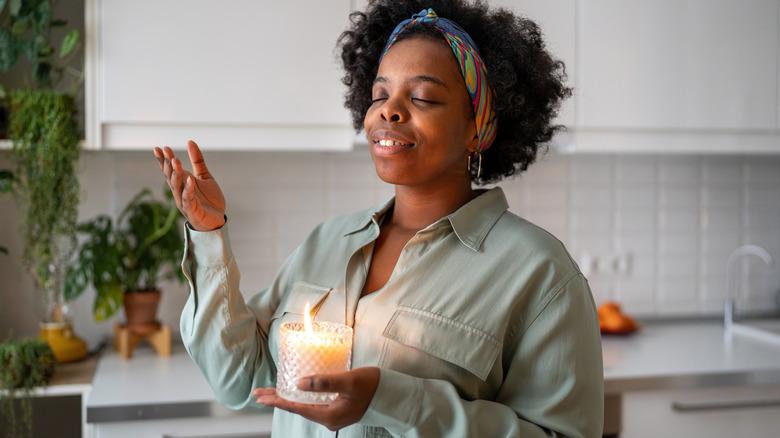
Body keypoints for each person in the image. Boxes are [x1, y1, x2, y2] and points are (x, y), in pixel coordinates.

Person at [153, 0, 603, 436]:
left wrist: (393, 400)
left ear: (477, 128)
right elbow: (239, 381)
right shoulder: (327, 242)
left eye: (423, 96)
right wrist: (209, 232)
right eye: (380, 94)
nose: (389, 110)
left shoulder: (542, 275)